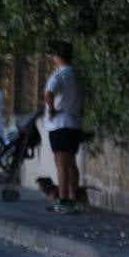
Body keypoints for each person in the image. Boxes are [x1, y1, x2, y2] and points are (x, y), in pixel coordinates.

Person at [44, 41, 84, 214]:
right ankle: (74, 197)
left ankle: (63, 199)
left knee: (61, 163)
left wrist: (51, 109)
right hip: (74, 123)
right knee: (72, 162)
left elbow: (48, 93)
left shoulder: (59, 75)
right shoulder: (77, 75)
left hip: (60, 123)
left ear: (57, 56)